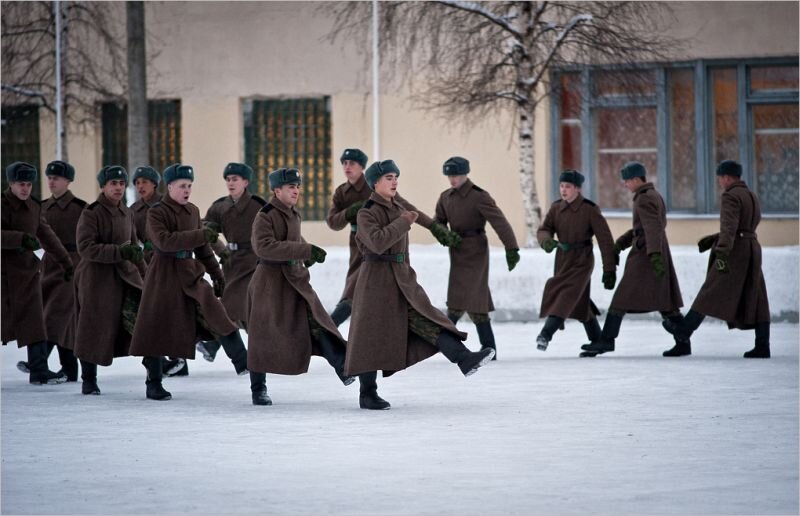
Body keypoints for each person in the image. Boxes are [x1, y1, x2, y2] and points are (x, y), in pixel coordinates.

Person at [344, 159, 495, 410]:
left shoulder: (396, 205)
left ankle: (464, 359)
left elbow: (416, 214)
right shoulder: (367, 211)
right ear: (375, 183)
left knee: (429, 319)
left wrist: (434, 227)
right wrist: (404, 221)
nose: (394, 182)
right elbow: (378, 242)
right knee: (369, 336)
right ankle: (367, 393)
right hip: (377, 282)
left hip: (402, 277)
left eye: (396, 177)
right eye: (389, 178)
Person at [130, 163, 249, 401]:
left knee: (217, 312)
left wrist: (217, 275)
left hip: (189, 272)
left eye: (190, 186)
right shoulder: (156, 212)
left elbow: (203, 248)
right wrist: (199, 235)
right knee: (155, 328)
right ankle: (153, 382)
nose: (187, 190)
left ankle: (243, 360)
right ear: (170, 186)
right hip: (163, 275)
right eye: (183, 186)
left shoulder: (193, 211)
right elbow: (164, 242)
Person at [246, 167, 355, 406]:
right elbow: (264, 247)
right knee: (262, 337)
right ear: (277, 191)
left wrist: (309, 253)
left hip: (294, 281)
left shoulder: (293, 214)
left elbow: (294, 240)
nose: (296, 190)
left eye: (297, 186)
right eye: (290, 187)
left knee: (318, 323)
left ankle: (342, 367)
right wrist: (303, 250)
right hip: (270, 285)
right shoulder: (265, 215)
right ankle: (258, 388)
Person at [325, 148, 461, 326]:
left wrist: (434, 227)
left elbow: (408, 209)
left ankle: (328, 330)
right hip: (360, 244)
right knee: (355, 289)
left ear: (362, 167)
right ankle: (329, 333)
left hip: (386, 244)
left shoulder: (377, 183)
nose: (347, 167)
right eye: (344, 163)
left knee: (356, 291)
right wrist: (350, 212)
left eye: (352, 163)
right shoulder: (342, 192)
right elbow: (333, 222)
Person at [662, 160, 771, 358]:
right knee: (757, 296)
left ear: (727, 177)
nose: (720, 181)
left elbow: (729, 228)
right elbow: (744, 226)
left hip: (734, 251)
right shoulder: (750, 195)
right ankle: (763, 344)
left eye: (720, 177)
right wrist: (715, 238)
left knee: (710, 291)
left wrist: (721, 252)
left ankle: (684, 330)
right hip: (752, 248)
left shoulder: (730, 196)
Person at [580, 161, 687, 357]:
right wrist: (622, 243)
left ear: (637, 179)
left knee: (621, 298)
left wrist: (654, 255)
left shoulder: (644, 199)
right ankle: (683, 341)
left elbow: (653, 228)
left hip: (645, 255)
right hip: (652, 249)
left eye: (627, 180)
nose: (625, 184)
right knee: (665, 301)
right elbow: (644, 227)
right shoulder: (653, 195)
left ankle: (606, 341)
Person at [434, 156, 520, 360]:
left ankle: (443, 342)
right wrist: (445, 235)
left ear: (465, 174)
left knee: (471, 298)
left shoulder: (479, 196)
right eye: (449, 176)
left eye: (455, 175)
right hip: (456, 250)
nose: (452, 179)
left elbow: (499, 222)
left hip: (476, 251)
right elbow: (437, 222)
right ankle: (487, 348)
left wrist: (511, 248)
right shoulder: (445, 197)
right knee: (461, 298)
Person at [73, 165, 147, 395]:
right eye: (113, 183)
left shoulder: (127, 212)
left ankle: (155, 378)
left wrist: (145, 274)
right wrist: (118, 252)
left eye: (121, 183)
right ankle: (89, 379)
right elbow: (85, 248)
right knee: (92, 328)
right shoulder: (91, 212)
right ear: (103, 186)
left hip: (126, 277)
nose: (118, 188)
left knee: (144, 323)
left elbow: (133, 246)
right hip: (97, 279)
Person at [1, 161, 73, 384]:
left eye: (29, 184)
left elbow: (47, 235)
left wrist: (66, 262)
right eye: (21, 184)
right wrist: (19, 238)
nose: (25, 189)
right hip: (3, 276)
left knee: (35, 324)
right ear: (11, 184)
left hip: (27, 275)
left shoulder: (34, 207)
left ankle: (39, 370)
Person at [16, 160, 86, 381]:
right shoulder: (41, 207)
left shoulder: (80, 208)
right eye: (49, 177)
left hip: (71, 265)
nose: (51, 181)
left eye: (56, 178)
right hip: (47, 265)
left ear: (68, 181)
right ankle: (70, 369)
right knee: (54, 317)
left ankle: (39, 362)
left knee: (55, 315)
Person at [535, 170, 616, 352]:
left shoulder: (589, 209)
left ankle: (545, 335)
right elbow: (544, 229)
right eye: (562, 186)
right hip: (563, 259)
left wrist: (609, 268)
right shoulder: (556, 208)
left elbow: (605, 240)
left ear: (577, 189)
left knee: (565, 295)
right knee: (578, 299)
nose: (563, 190)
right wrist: (546, 241)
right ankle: (597, 340)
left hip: (582, 259)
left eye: (568, 187)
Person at [196, 162, 265, 369]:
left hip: (252, 260)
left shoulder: (258, 205)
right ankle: (219, 347)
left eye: (235, 179)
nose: (231, 183)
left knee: (232, 305)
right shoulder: (220, 207)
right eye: (228, 179)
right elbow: (207, 232)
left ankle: (219, 347)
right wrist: (220, 249)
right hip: (231, 261)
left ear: (246, 182)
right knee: (235, 308)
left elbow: (278, 226)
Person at [130, 165, 188, 377]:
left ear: (155, 184)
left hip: (170, 265)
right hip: (145, 267)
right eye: (137, 182)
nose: (140, 186)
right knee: (152, 316)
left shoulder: (168, 205)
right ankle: (160, 363)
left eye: (144, 181)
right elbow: (131, 237)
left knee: (173, 313)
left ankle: (177, 361)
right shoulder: (133, 210)